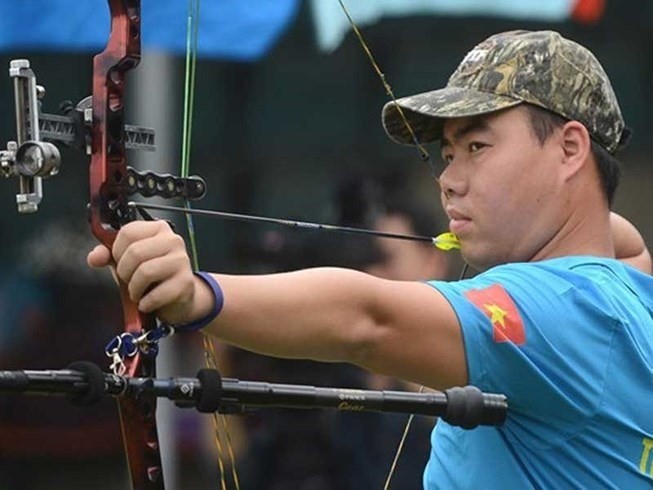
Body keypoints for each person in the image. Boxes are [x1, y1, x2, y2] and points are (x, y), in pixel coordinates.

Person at [88, 30, 653, 488]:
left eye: (477, 147)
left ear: (570, 149)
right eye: (448, 154)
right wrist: (563, 216)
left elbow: (366, 321)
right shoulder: (627, 291)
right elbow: (622, 243)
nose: (450, 182)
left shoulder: (559, 306)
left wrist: (197, 295)